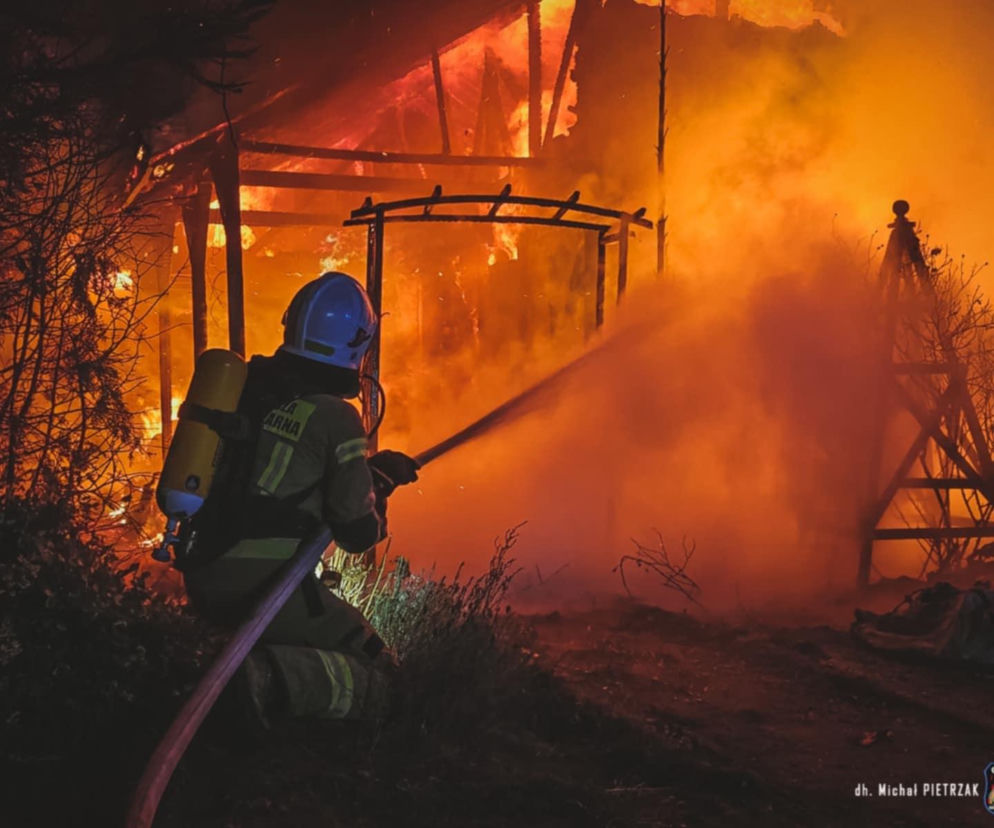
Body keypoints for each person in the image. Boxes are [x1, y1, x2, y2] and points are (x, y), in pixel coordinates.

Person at [181, 271, 419, 726]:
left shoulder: (247, 387)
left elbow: (281, 477)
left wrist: (362, 474)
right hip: (263, 586)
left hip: (203, 569)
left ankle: (249, 669)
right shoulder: (337, 417)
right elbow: (356, 532)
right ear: (357, 343)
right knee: (380, 673)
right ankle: (257, 681)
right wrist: (380, 483)